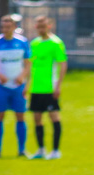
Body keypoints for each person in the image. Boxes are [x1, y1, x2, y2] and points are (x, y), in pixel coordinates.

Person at [0, 15, 30, 159]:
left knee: (20, 116)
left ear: (14, 27)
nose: (5, 30)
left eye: (8, 27)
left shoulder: (22, 42)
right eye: (3, 27)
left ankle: (21, 150)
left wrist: (22, 76)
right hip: (1, 86)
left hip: (18, 86)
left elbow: (28, 63)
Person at [26, 16, 67, 160]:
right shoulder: (34, 43)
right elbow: (31, 66)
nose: (40, 29)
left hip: (50, 88)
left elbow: (62, 64)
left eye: (43, 26)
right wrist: (27, 85)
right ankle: (41, 149)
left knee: (54, 117)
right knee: (36, 118)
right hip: (36, 88)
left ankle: (56, 150)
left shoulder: (56, 43)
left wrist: (58, 85)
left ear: (50, 26)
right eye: (38, 26)